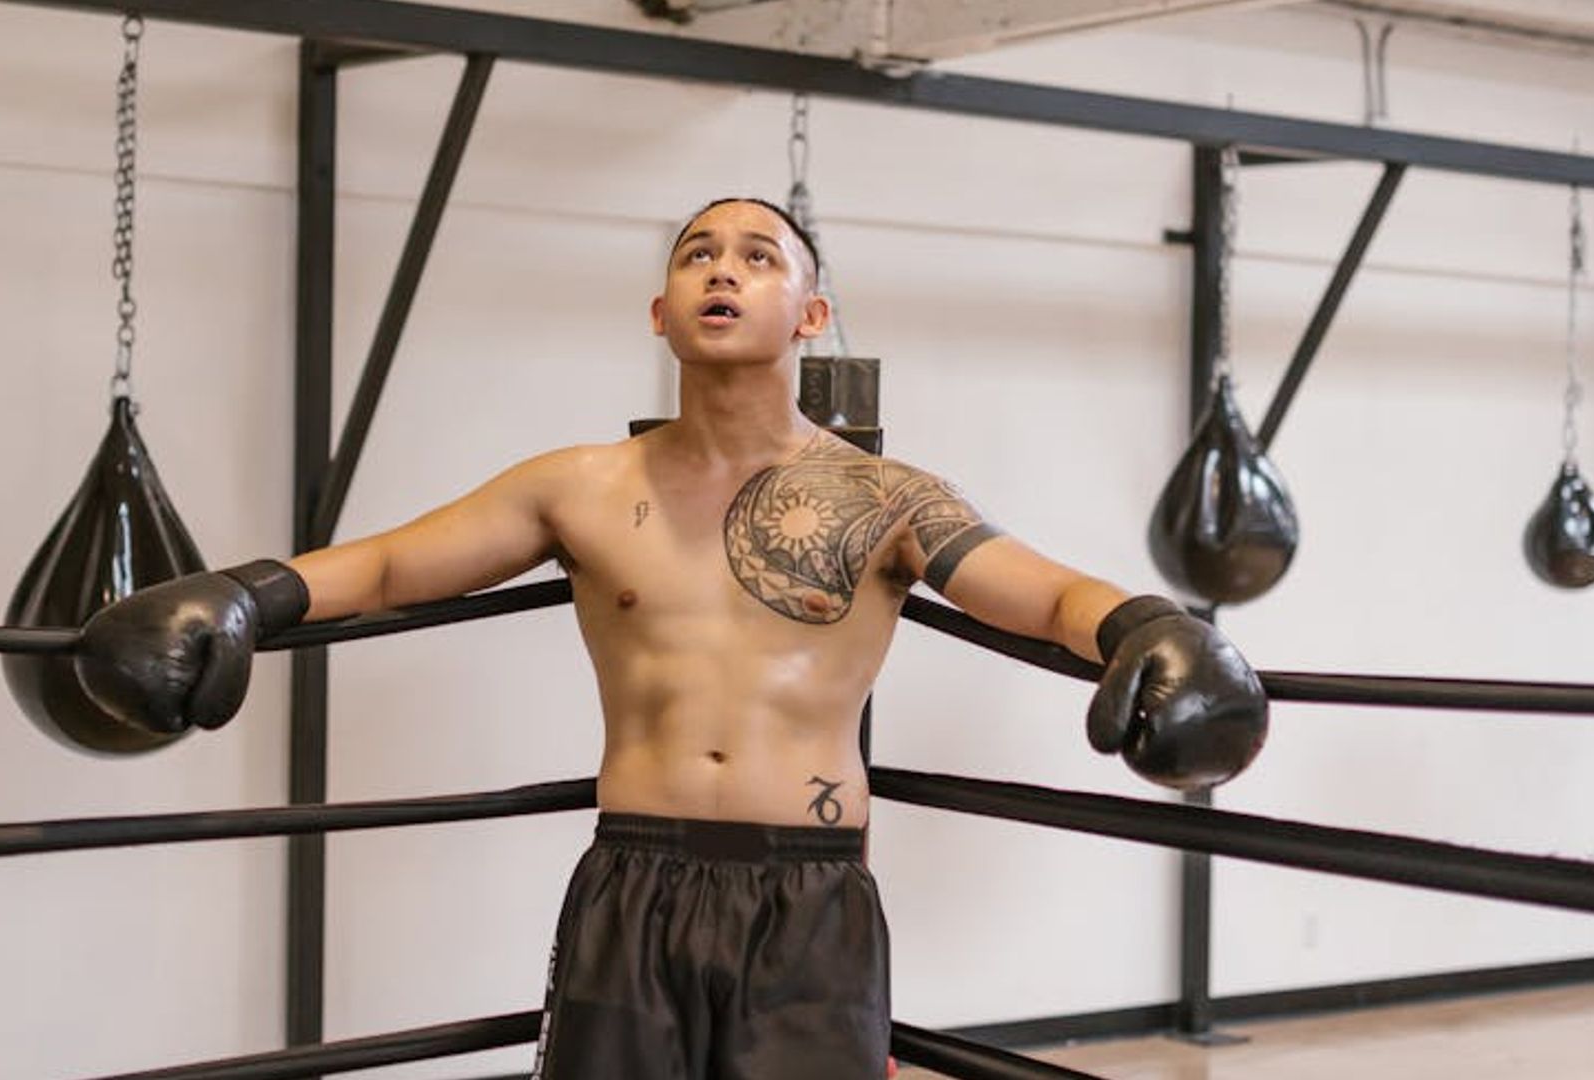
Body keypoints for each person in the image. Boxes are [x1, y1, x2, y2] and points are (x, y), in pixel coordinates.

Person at [70, 197, 1267, 1079]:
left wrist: (1152, 624)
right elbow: (390, 563)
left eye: (759, 257)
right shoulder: (578, 487)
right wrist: (239, 596)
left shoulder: (889, 499)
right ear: (661, 309)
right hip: (632, 876)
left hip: (809, 895)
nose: (723, 273)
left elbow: (1043, 592)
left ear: (812, 311)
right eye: (698, 254)